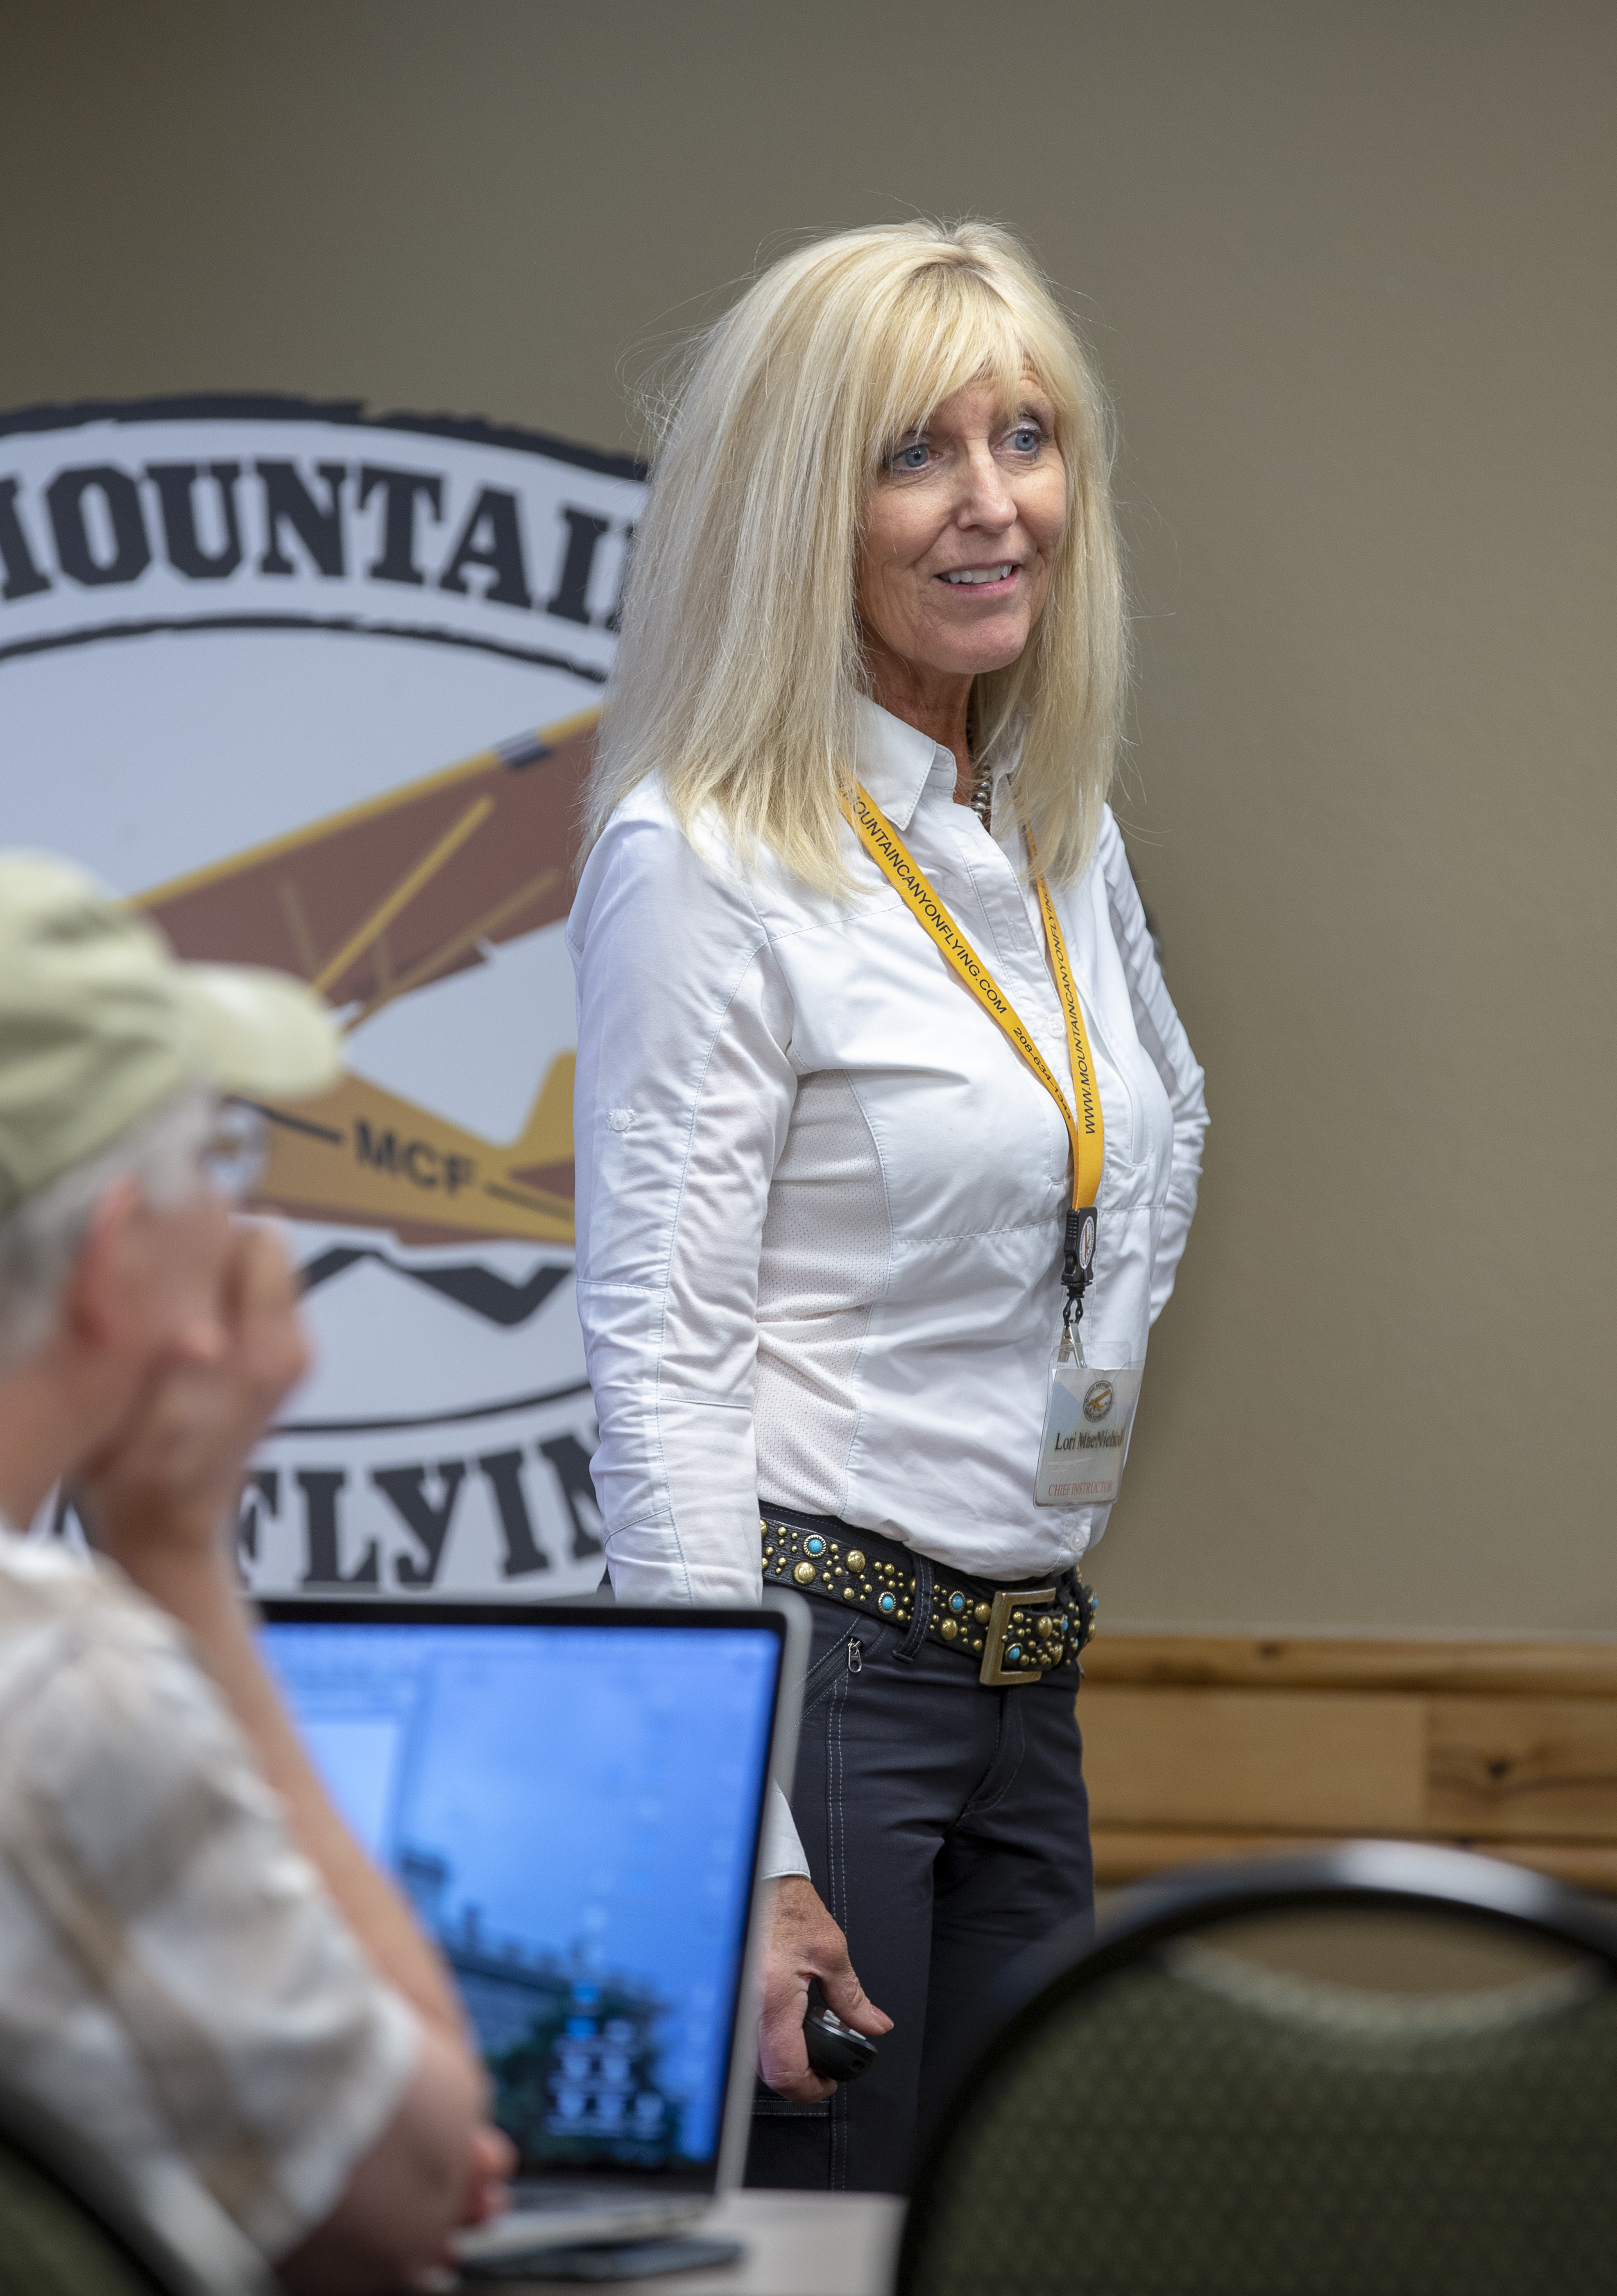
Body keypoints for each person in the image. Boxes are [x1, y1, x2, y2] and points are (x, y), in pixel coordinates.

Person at [569, 219, 1209, 2194]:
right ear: (794, 510)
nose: (993, 501)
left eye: (1027, 435)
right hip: (823, 1685)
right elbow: (661, 1367)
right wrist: (739, 1846)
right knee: (839, 2249)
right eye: (913, 453)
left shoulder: (1050, 826)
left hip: (1026, 1670)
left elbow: (1144, 1146)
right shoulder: (701, 862)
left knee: (1022, 2231)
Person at [0, 852, 513, 2287]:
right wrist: (175, 1557)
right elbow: (412, 2182)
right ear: (111, 1261)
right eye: (215, 1160)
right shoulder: (53, 1688)